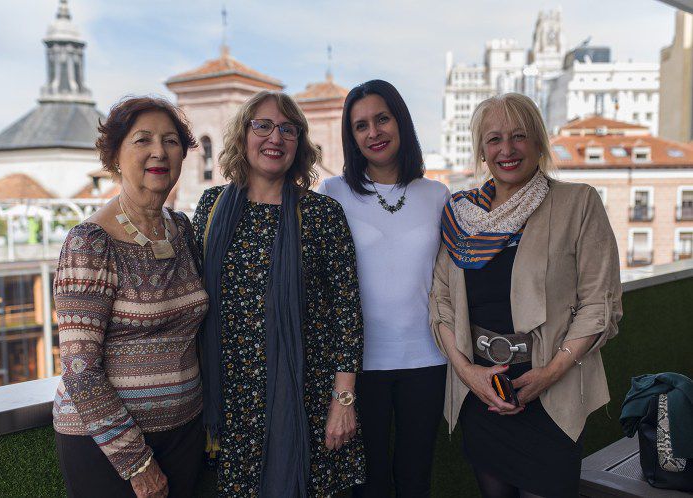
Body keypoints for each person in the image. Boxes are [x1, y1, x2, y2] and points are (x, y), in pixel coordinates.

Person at [429, 92, 623, 498]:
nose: (507, 149)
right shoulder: (462, 215)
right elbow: (441, 304)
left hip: (552, 390)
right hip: (482, 390)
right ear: (482, 151)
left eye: (518, 136)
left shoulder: (578, 203)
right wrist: (469, 374)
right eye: (494, 139)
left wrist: (549, 375)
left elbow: (599, 304)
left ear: (538, 142)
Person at [193, 90, 365, 497]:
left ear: (300, 145)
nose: (275, 138)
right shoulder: (211, 207)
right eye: (263, 126)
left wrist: (343, 400)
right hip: (234, 405)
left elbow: (348, 313)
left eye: (288, 130)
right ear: (242, 137)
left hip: (308, 400)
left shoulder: (323, 215)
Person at [52, 96, 207, 498]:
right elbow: (79, 369)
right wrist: (136, 462)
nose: (159, 151)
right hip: (109, 451)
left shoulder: (182, 230)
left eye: (171, 141)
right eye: (143, 140)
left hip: (185, 433)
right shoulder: (90, 242)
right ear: (115, 156)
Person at [317, 79, 450, 497]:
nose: (373, 132)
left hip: (427, 360)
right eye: (360, 126)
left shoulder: (437, 194)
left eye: (382, 119)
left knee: (415, 479)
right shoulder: (332, 193)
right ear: (351, 137)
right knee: (367, 485)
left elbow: (450, 278)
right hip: (358, 367)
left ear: (401, 123)